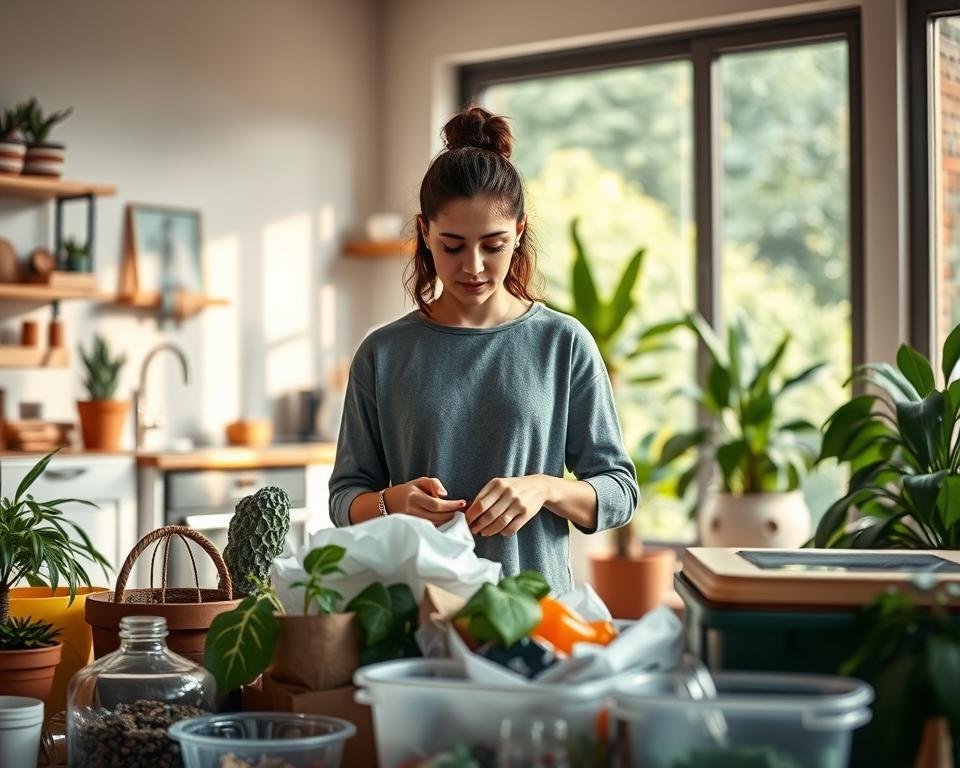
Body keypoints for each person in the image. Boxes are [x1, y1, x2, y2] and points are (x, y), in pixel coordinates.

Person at [328, 105, 639, 594]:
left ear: (518, 232)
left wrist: (545, 488)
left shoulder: (564, 343)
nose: (472, 266)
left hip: (535, 618)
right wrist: (393, 503)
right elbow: (345, 499)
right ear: (424, 232)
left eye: (492, 245)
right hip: (415, 615)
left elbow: (619, 491)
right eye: (453, 245)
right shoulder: (383, 353)